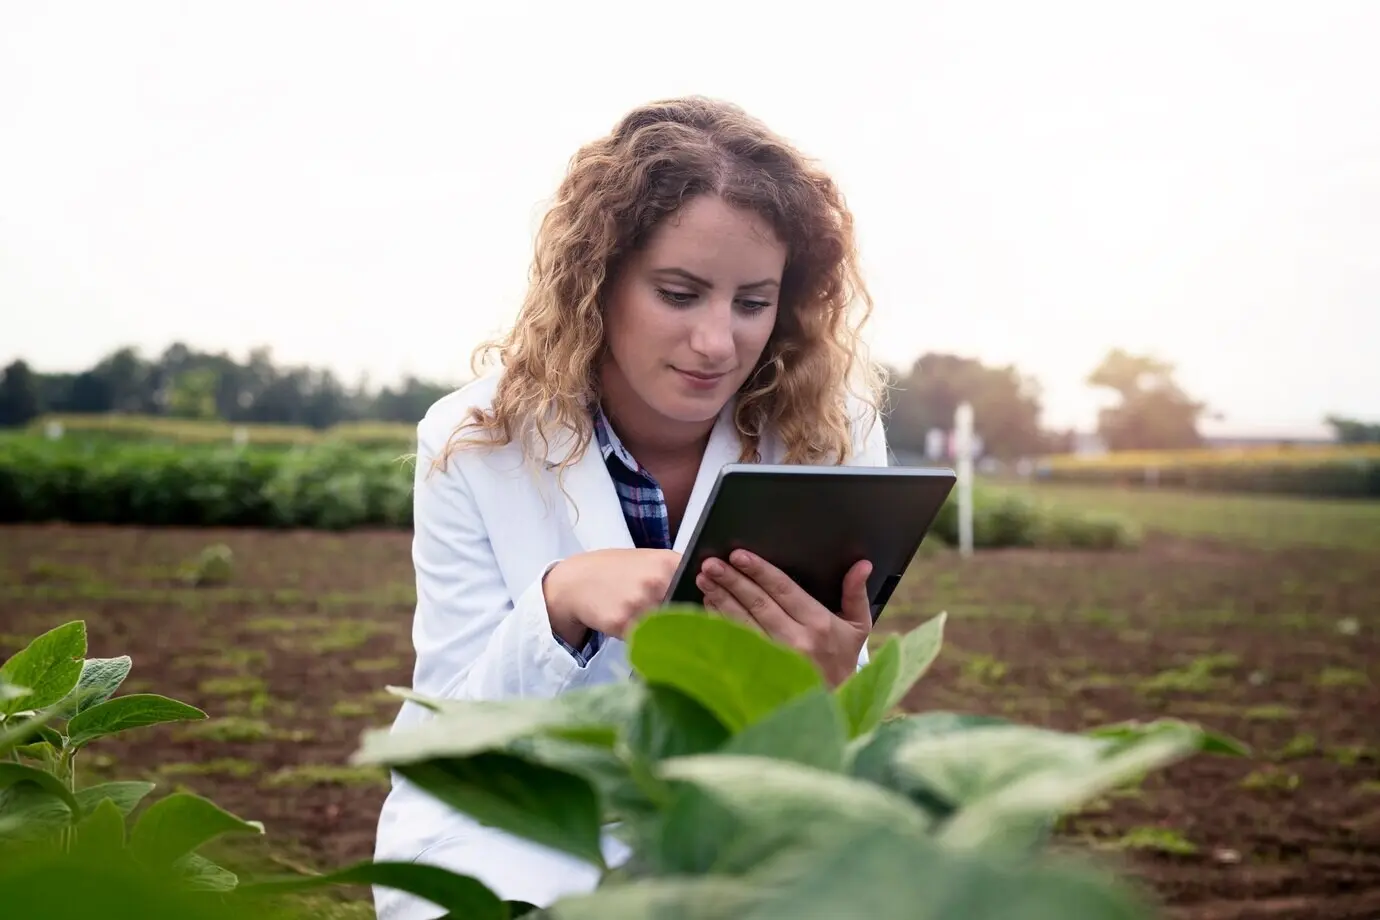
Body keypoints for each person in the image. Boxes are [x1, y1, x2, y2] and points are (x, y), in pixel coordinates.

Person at [372, 95, 892, 920]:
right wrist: (558, 602)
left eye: (752, 303)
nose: (718, 342)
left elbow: (834, 712)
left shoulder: (830, 434)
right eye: (680, 294)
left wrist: (832, 682)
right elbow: (450, 736)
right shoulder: (474, 442)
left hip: (732, 824)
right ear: (598, 280)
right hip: (520, 830)